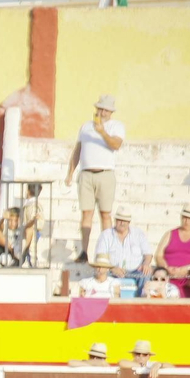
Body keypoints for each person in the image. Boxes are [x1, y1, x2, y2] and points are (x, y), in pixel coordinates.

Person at [65, 95, 124, 260]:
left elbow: (116, 145)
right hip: (86, 173)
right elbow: (78, 149)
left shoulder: (116, 126)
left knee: (105, 214)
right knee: (86, 214)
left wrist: (102, 132)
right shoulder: (85, 127)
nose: (102, 112)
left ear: (111, 111)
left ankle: (106, 252)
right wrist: (70, 172)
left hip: (105, 173)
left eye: (105, 109)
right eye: (100, 108)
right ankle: (84, 252)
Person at [95, 207, 155, 294]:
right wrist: (112, 268)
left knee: (146, 274)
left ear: (129, 222)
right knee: (102, 275)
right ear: (115, 220)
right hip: (112, 271)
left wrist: (145, 264)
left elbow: (148, 254)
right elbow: (100, 256)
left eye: (125, 221)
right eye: (119, 220)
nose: (122, 223)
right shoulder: (106, 235)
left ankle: (141, 302)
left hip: (135, 271)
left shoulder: (138, 234)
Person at [155, 206, 190, 294]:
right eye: (184, 218)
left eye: (189, 219)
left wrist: (187, 268)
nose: (186, 221)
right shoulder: (170, 234)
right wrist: (166, 268)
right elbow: (158, 255)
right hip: (169, 273)